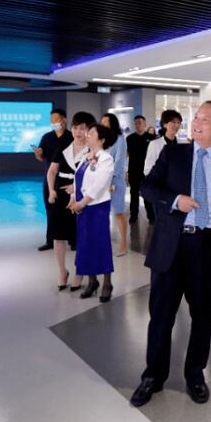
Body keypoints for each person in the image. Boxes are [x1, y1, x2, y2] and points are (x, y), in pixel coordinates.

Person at [130, 101, 211, 407]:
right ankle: (153, 376)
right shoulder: (173, 154)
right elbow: (146, 186)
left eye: (205, 119)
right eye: (196, 117)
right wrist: (175, 201)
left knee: (203, 316)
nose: (196, 122)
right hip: (171, 246)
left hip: (207, 249)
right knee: (161, 316)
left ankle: (195, 374)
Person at [70, 120, 118, 302]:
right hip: (82, 208)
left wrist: (82, 203)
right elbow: (78, 180)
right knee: (85, 244)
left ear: (102, 140)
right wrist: (73, 199)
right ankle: (92, 281)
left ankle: (107, 283)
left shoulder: (106, 159)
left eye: (91, 134)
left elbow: (99, 185)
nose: (87, 136)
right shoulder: (85, 156)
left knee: (100, 243)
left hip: (96, 208)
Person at [46, 114, 90, 291]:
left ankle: (80, 272)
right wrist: (51, 190)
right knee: (58, 236)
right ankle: (62, 271)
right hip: (61, 197)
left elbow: (95, 176)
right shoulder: (63, 147)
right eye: (75, 128)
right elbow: (52, 171)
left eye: (82, 128)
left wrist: (77, 187)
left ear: (88, 130)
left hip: (81, 197)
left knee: (80, 237)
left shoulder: (92, 150)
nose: (78, 132)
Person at [34, 108, 72, 251]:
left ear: (64, 120)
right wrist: (38, 153)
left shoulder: (71, 137)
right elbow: (41, 157)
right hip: (50, 178)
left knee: (70, 208)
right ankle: (50, 240)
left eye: (55, 120)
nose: (53, 123)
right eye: (51, 121)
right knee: (50, 210)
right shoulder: (47, 137)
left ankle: (72, 239)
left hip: (67, 178)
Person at [102, 113, 129, 257]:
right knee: (102, 213)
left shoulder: (120, 139)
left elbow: (119, 161)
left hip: (115, 180)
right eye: (102, 122)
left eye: (106, 122)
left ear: (112, 123)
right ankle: (104, 244)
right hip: (101, 181)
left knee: (119, 212)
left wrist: (108, 176)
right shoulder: (102, 139)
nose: (103, 124)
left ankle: (123, 245)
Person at [126, 114, 153, 224]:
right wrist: (127, 172)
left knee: (148, 195)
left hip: (147, 172)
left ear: (145, 124)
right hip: (133, 171)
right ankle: (134, 216)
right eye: (136, 123)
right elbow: (127, 155)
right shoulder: (129, 138)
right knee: (134, 195)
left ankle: (151, 216)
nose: (137, 125)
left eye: (140, 123)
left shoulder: (151, 138)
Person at [143, 110, 183, 176]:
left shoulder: (183, 144)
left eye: (178, 122)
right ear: (165, 124)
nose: (177, 125)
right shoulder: (154, 144)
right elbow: (147, 169)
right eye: (173, 122)